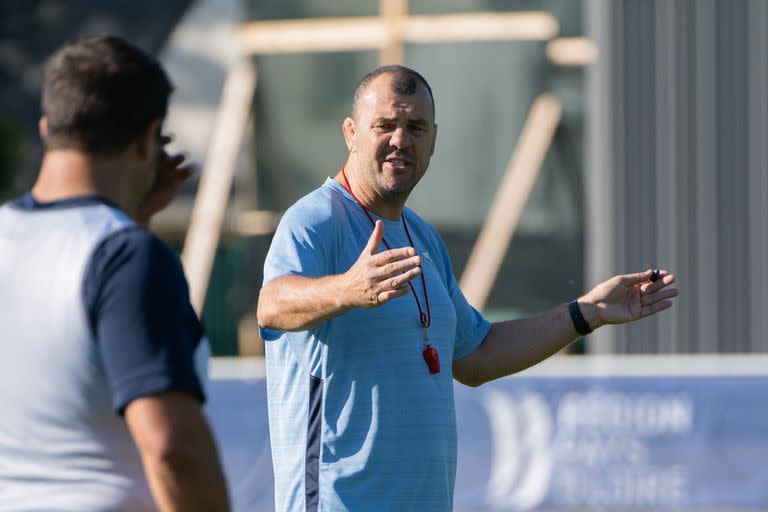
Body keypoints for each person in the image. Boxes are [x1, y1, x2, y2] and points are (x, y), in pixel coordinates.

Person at [257, 65, 678, 511]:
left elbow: (475, 356)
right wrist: (346, 289)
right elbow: (271, 305)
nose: (401, 140)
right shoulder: (315, 220)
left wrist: (586, 312)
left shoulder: (424, 239)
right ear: (351, 133)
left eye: (415, 128)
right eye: (385, 126)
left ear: (433, 140)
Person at [0, 36, 230, 511]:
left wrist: (132, 217)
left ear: (47, 129)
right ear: (149, 139)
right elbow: (173, 448)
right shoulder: (125, 257)